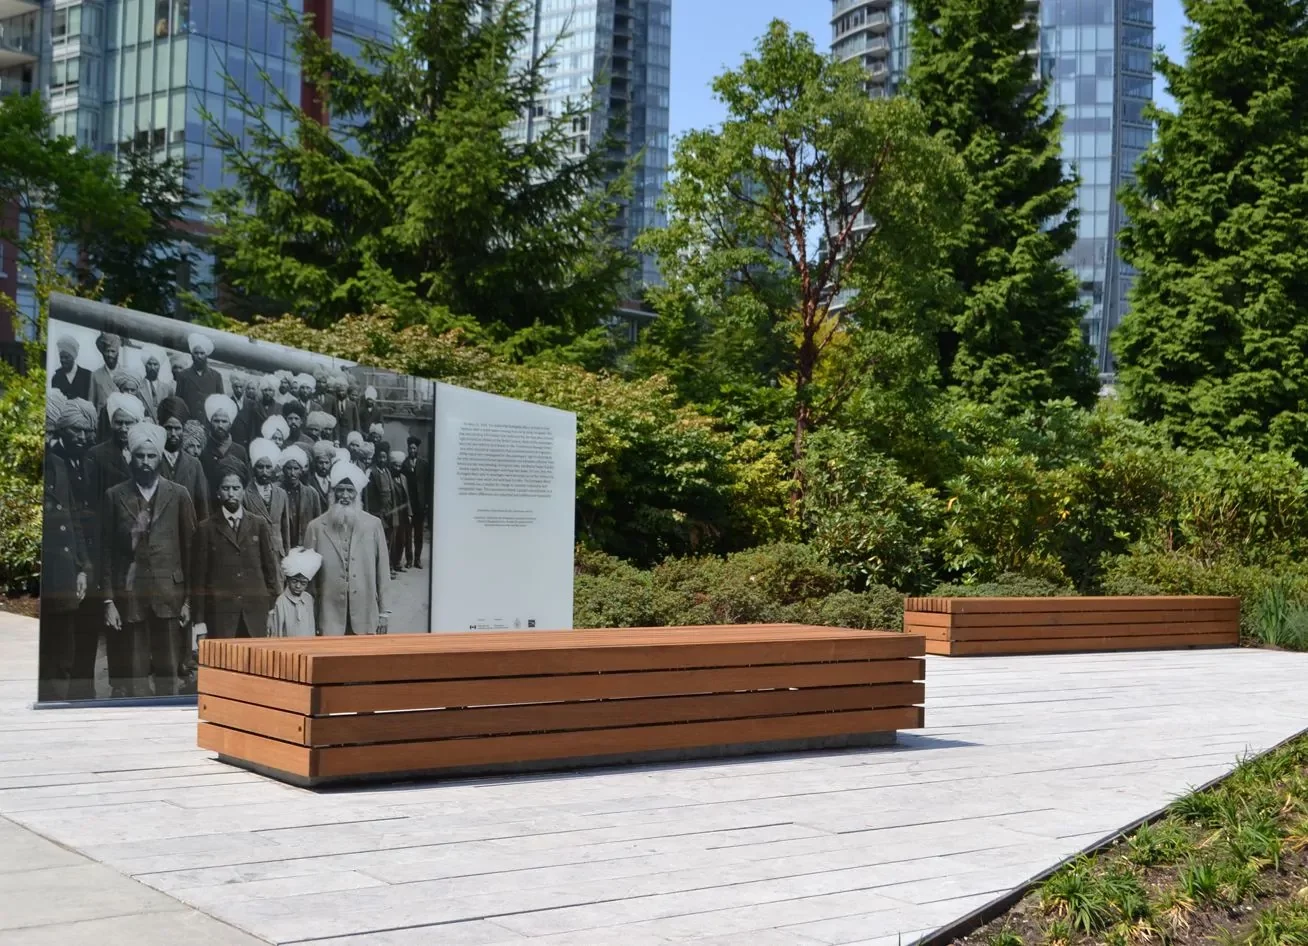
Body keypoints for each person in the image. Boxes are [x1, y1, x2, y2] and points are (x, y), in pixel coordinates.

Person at [100, 422, 197, 697]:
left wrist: (189, 600)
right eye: (140, 456)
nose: (145, 462)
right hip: (130, 596)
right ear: (131, 456)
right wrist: (108, 601)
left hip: (170, 596)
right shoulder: (114, 495)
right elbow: (106, 552)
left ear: (159, 457)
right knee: (135, 673)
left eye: (151, 456)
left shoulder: (179, 494)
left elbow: (190, 550)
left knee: (170, 672)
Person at [48, 399, 102, 700]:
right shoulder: (53, 460)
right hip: (66, 558)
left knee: (88, 627)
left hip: (89, 556)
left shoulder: (90, 464)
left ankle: (86, 691)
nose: (82, 437)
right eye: (76, 431)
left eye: (87, 431)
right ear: (63, 430)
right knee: (65, 632)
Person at [190, 466, 282, 640]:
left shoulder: (259, 524)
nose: (231, 493)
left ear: (243, 491)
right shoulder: (206, 528)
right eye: (225, 488)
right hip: (220, 615)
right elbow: (199, 578)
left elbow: (270, 570)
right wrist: (199, 620)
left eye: (236, 488)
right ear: (218, 492)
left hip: (255, 612)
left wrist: (270, 610)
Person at [302, 462, 390, 636]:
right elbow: (308, 579)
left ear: (357, 494)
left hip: (365, 612)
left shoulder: (373, 525)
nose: (344, 495)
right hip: (329, 615)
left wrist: (384, 612)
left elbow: (383, 571)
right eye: (340, 490)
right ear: (332, 493)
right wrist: (308, 614)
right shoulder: (316, 527)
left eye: (350, 490)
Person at [157, 397, 209, 523]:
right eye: (168, 428)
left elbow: (202, 507)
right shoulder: (153, 461)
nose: (173, 433)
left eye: (178, 428)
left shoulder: (194, 465)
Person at [87, 391, 144, 504]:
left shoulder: (147, 452)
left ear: (137, 423)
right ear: (111, 423)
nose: (123, 428)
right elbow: (94, 497)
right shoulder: (97, 454)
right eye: (119, 423)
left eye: (128, 423)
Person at [244, 438, 291, 555]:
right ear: (254, 468)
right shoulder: (244, 495)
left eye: (268, 467)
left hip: (277, 552)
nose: (264, 471)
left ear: (273, 468)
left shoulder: (281, 494)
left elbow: (285, 528)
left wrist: (287, 552)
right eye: (260, 467)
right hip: (255, 552)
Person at [199, 393, 249, 490]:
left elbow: (246, 481)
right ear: (210, 422)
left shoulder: (240, 451)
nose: (220, 425)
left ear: (230, 424)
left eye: (224, 421)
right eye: (216, 421)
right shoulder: (204, 449)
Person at [269, 547, 322, 637]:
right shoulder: (281, 601)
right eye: (294, 581)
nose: (298, 586)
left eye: (303, 583)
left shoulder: (308, 599)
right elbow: (277, 631)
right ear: (288, 580)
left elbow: (311, 626)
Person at [278, 445, 323, 548]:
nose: (292, 473)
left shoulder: (311, 493)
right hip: (283, 545)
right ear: (283, 469)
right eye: (289, 468)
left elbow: (318, 523)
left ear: (301, 470)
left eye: (296, 468)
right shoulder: (276, 491)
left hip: (305, 545)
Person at [176, 333, 226, 422]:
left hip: (209, 423)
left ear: (206, 355)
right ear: (191, 355)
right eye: (196, 353)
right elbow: (178, 402)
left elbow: (220, 403)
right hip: (189, 422)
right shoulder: (183, 375)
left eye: (202, 353)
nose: (199, 356)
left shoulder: (216, 376)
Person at [402, 435, 429, 569]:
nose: (412, 450)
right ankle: (409, 559)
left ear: (417, 449)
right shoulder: (404, 464)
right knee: (408, 533)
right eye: (410, 448)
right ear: (408, 449)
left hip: (420, 505)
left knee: (419, 533)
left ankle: (417, 559)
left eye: (414, 448)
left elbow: (428, 485)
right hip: (408, 505)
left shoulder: (424, 464)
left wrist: (427, 503)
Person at [233, 374, 282, 447]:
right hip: (258, 441)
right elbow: (252, 428)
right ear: (262, 391)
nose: (268, 393)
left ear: (274, 392)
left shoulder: (279, 408)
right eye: (265, 390)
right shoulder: (255, 406)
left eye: (270, 390)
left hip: (273, 442)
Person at [388, 450, 412, 573]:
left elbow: (407, 497)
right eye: (395, 465)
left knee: (402, 539)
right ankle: (390, 565)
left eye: (399, 466)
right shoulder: (388, 478)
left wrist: (409, 513)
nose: (397, 468)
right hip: (393, 512)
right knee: (393, 539)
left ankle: (398, 563)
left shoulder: (403, 478)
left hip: (403, 513)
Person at [89, 332, 124, 411]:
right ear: (102, 353)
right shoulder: (95, 375)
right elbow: (91, 405)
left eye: (113, 351)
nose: (110, 355)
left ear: (118, 352)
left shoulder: (125, 374)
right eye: (107, 351)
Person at [51, 335, 92, 401]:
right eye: (61, 357)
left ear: (74, 357)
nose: (63, 360)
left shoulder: (88, 376)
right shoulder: (56, 378)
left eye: (66, 357)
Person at [138, 350, 174, 418]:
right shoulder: (138, 387)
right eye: (149, 364)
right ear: (145, 365)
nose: (152, 367)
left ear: (159, 366)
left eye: (155, 364)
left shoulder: (167, 389)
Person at [306, 440, 335, 509]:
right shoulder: (309, 481)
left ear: (331, 463)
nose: (324, 466)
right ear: (315, 463)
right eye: (321, 463)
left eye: (326, 463)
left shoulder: (333, 481)